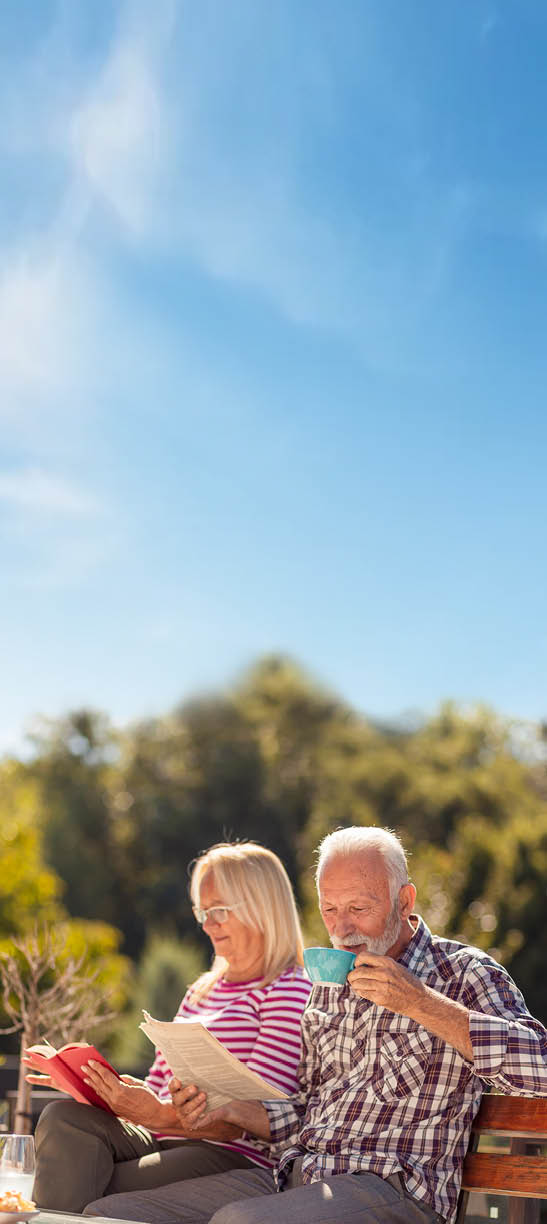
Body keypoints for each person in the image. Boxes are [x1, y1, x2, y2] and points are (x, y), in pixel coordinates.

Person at [85, 825, 547, 1224]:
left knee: (239, 1221)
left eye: (359, 908)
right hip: (296, 1176)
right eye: (330, 910)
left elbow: (538, 1070)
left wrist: (421, 1002)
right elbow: (308, 1110)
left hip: (396, 1191)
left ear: (404, 900)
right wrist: (227, 1111)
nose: (343, 927)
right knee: (109, 1215)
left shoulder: (462, 973)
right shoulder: (329, 983)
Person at [31, 841, 312, 1212]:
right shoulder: (202, 990)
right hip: (161, 1136)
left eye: (220, 911)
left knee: (87, 1177)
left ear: (263, 909)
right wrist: (104, 1089)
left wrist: (157, 1111)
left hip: (230, 1153)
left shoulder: (288, 988)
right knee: (62, 1117)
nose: (208, 925)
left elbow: (254, 1110)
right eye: (202, 911)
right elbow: (161, 1085)